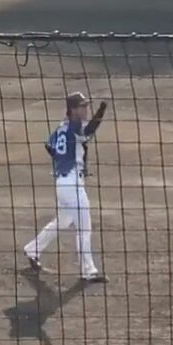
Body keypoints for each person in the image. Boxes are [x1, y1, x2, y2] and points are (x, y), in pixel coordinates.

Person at [22, 92, 108, 282]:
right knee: (84, 228)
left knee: (62, 222)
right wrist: (101, 111)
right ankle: (88, 271)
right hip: (72, 185)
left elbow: (49, 146)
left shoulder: (61, 128)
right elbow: (90, 129)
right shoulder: (75, 126)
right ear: (73, 109)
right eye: (82, 106)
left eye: (87, 106)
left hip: (62, 183)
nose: (86, 109)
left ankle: (32, 249)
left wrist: (63, 160)